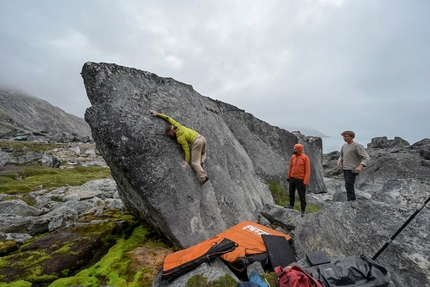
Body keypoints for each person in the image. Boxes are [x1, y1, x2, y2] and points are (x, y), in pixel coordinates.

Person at [150, 110, 209, 185]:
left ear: (172, 131)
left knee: (194, 163)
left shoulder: (180, 138)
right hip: (202, 138)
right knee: (203, 152)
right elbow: (169, 118)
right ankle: (202, 161)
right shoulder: (178, 126)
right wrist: (158, 114)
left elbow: (186, 149)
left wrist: (187, 162)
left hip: (197, 142)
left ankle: (203, 177)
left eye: (170, 134)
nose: (170, 136)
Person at [336, 130, 370, 201]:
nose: (344, 138)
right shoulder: (344, 146)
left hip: (352, 169)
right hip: (345, 168)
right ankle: (351, 202)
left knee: (349, 186)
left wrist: (360, 166)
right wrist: (339, 160)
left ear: (352, 137)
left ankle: (352, 203)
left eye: (346, 136)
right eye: (343, 137)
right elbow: (342, 155)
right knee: (348, 186)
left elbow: (366, 157)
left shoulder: (357, 146)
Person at [285, 143, 311, 217]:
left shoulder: (305, 158)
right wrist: (288, 177)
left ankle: (303, 210)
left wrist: (305, 181)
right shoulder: (293, 157)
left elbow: (308, 171)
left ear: (299, 150)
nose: (294, 150)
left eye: (295, 149)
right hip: (292, 178)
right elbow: (290, 167)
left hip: (300, 180)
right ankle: (291, 205)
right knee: (291, 193)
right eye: (294, 148)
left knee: (301, 196)